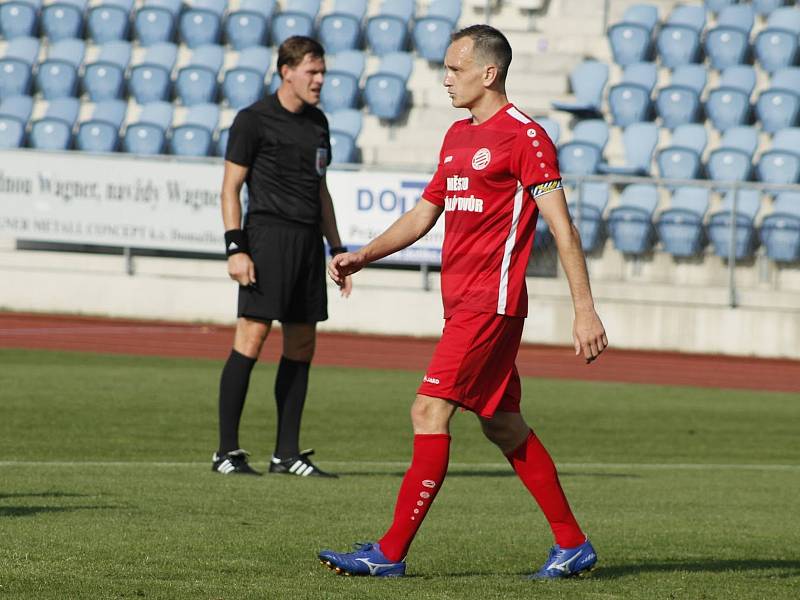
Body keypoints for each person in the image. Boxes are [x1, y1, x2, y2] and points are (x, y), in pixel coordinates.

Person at [318, 25, 608, 578]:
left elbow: (563, 229)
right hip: (464, 305)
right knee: (502, 424)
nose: (446, 78)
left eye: (455, 69)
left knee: (428, 410)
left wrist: (584, 308)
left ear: (488, 73)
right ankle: (572, 544)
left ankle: (389, 553)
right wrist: (365, 254)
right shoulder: (456, 135)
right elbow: (425, 213)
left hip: (490, 305)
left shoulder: (526, 138)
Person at [212, 36, 351, 478]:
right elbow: (231, 187)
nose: (320, 80)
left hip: (308, 243)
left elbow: (321, 189)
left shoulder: (319, 123)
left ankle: (285, 454)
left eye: (322, 72)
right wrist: (236, 247)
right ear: (286, 71)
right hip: (266, 238)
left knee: (303, 345)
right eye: (312, 72)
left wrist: (337, 247)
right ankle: (226, 453)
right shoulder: (252, 120)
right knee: (250, 339)